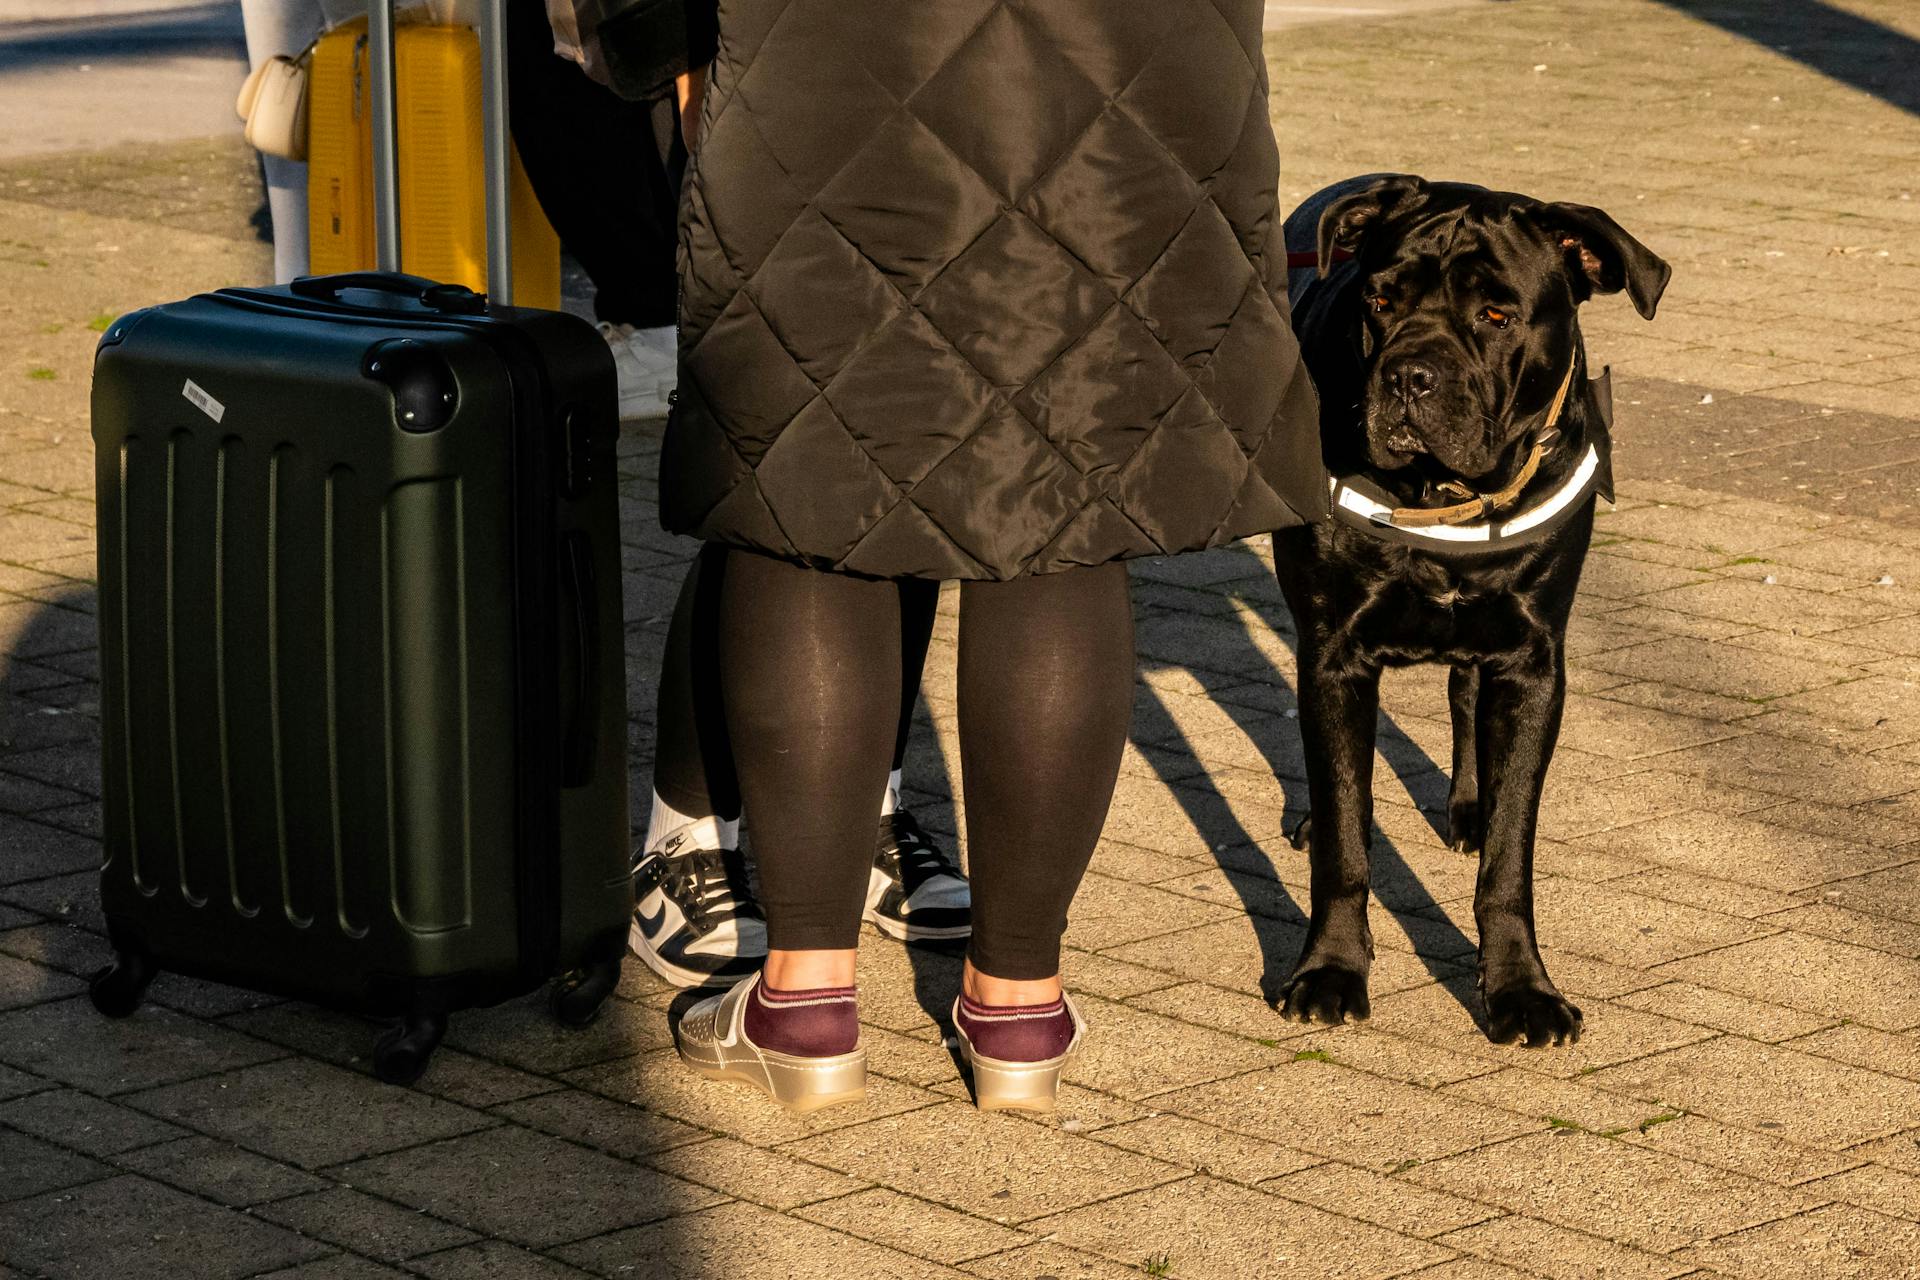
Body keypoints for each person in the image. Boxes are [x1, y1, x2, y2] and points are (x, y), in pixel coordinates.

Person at [663, 2, 1327, 1114]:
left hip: (834, 47)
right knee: (1068, 486)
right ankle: (1021, 1011)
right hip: (1138, 51)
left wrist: (658, 44)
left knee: (818, 462)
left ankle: (807, 1002)